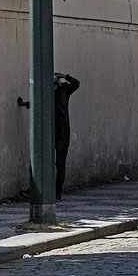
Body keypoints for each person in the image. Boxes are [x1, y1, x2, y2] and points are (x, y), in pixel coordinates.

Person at [54, 72, 80, 202]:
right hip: (50, 133)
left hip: (62, 133)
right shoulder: (46, 93)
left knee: (60, 164)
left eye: (54, 85)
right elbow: (36, 103)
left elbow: (76, 84)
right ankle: (48, 190)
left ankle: (57, 193)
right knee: (49, 164)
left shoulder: (64, 90)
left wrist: (65, 76)